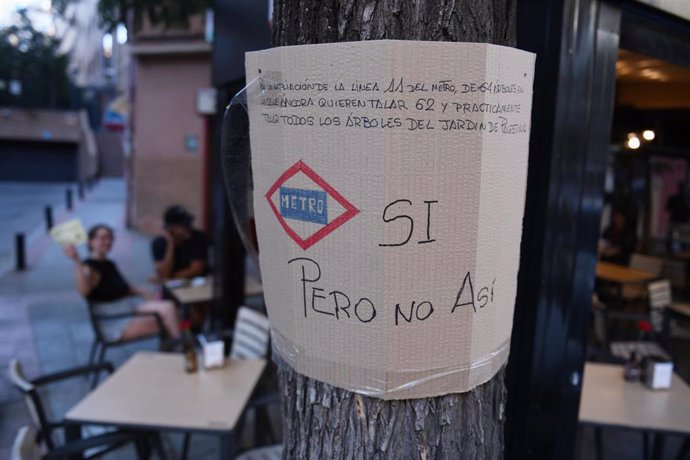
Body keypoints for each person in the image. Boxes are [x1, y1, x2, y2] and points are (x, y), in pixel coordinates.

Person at [64, 224, 181, 342]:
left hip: (127, 312)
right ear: (90, 242)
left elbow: (123, 288)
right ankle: (180, 348)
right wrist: (76, 260)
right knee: (169, 313)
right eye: (103, 238)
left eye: (110, 238)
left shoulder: (109, 264)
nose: (108, 241)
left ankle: (175, 347)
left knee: (169, 309)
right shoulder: (89, 268)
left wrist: (143, 292)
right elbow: (84, 291)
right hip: (115, 324)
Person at [151, 205, 208, 282]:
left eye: (188, 223)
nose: (188, 226)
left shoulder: (198, 237)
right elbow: (164, 272)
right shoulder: (158, 243)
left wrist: (170, 277)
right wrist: (170, 244)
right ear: (170, 228)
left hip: (193, 284)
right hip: (171, 287)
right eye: (182, 225)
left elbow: (196, 269)